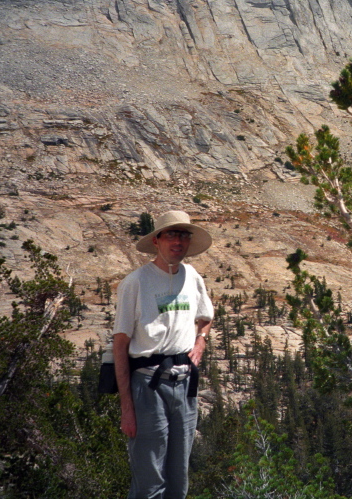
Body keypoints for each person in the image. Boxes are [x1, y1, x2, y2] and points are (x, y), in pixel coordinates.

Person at [113, 210, 214, 499]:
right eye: (171, 234)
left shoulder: (191, 276)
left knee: (178, 478)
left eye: (183, 235)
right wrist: (127, 408)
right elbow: (120, 346)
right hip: (147, 386)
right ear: (156, 240)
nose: (178, 241)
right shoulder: (136, 282)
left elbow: (206, 316)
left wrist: (200, 342)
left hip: (184, 385)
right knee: (149, 479)